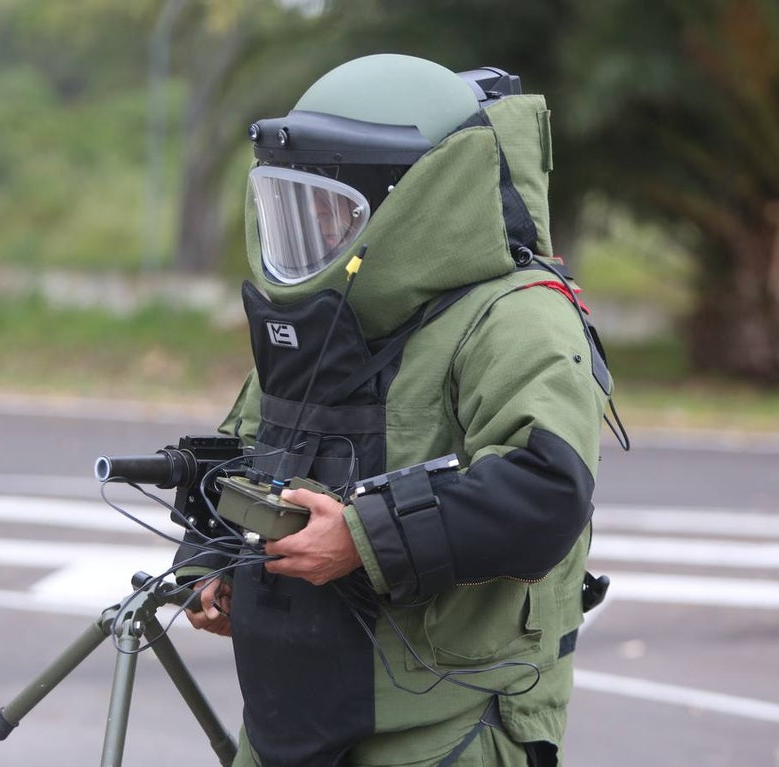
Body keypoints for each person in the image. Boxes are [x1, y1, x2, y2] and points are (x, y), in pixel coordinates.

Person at [180, 53, 616, 767]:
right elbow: (249, 451)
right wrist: (209, 561)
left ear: (416, 201)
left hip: (449, 723)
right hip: (290, 718)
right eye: (298, 205)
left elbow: (544, 487)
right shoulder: (326, 316)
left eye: (333, 207)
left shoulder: (517, 317)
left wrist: (361, 538)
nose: (314, 227)